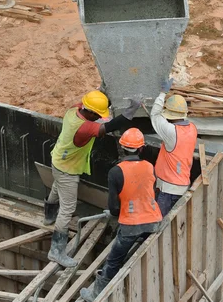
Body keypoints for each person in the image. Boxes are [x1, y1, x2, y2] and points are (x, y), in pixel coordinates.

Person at [45, 90, 140, 268]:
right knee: (67, 209)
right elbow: (109, 127)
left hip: (58, 159)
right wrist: (130, 111)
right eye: (96, 115)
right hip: (68, 169)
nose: (98, 118)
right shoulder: (84, 128)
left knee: (57, 188)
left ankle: (48, 215)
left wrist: (104, 92)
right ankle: (56, 251)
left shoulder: (74, 110)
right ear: (89, 113)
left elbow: (94, 105)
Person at [80, 128, 162, 301]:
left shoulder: (116, 172)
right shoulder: (149, 166)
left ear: (122, 147)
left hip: (131, 225)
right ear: (141, 149)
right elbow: (152, 193)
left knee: (114, 259)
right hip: (154, 221)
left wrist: (115, 213)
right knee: (140, 246)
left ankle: (96, 294)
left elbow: (114, 207)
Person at [150, 78, 198, 216]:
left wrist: (162, 93)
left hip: (168, 189)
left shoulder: (172, 132)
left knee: (159, 224)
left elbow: (154, 115)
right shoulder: (192, 128)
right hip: (182, 185)